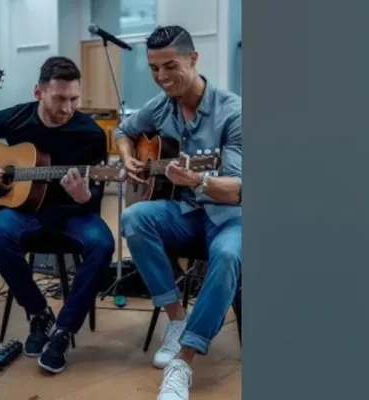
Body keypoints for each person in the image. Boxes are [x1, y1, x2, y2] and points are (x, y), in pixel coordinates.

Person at [113, 26, 242, 400]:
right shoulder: (161, 106)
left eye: (170, 66)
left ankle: (182, 362)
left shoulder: (233, 111)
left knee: (228, 254)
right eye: (154, 68)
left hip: (231, 216)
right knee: (134, 218)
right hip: (186, 211)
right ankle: (176, 320)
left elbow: (239, 187)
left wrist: (198, 180)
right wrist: (129, 159)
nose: (162, 77)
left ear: (193, 59)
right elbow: (123, 131)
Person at [0, 56, 114, 374]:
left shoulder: (91, 133)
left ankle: (63, 331)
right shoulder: (17, 117)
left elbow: (94, 197)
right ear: (38, 93)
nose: (68, 108)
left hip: (74, 215)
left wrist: (84, 195)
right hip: (26, 212)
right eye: (59, 98)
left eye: (74, 99)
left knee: (102, 243)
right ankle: (39, 314)